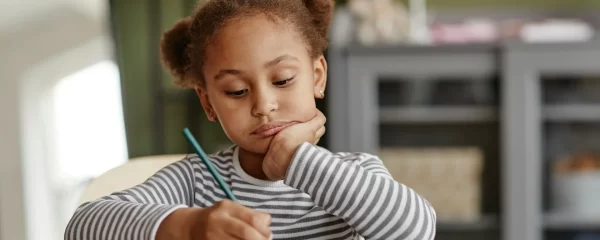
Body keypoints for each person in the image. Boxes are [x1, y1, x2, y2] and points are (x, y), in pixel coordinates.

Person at [64, 0, 437, 239]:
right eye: (237, 91)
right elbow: (83, 227)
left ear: (318, 76)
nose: (264, 105)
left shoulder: (353, 173)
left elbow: (416, 229)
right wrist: (190, 226)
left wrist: (295, 157)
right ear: (208, 103)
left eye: (283, 80)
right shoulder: (196, 181)